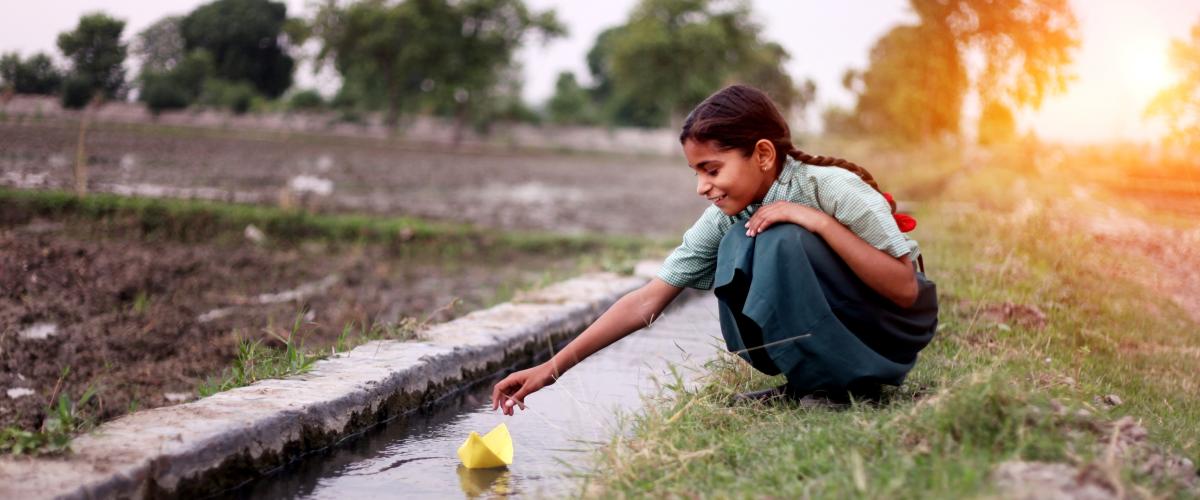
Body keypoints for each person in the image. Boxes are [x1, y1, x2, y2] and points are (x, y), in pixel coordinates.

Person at [491, 84, 938, 414]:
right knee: (738, 244)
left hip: (887, 330)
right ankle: (810, 383)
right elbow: (648, 301)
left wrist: (814, 220)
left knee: (781, 239)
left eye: (711, 169)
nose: (702, 187)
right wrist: (550, 369)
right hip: (846, 326)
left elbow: (904, 290)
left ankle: (841, 386)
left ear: (762, 155)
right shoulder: (727, 214)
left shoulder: (833, 189)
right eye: (695, 172)